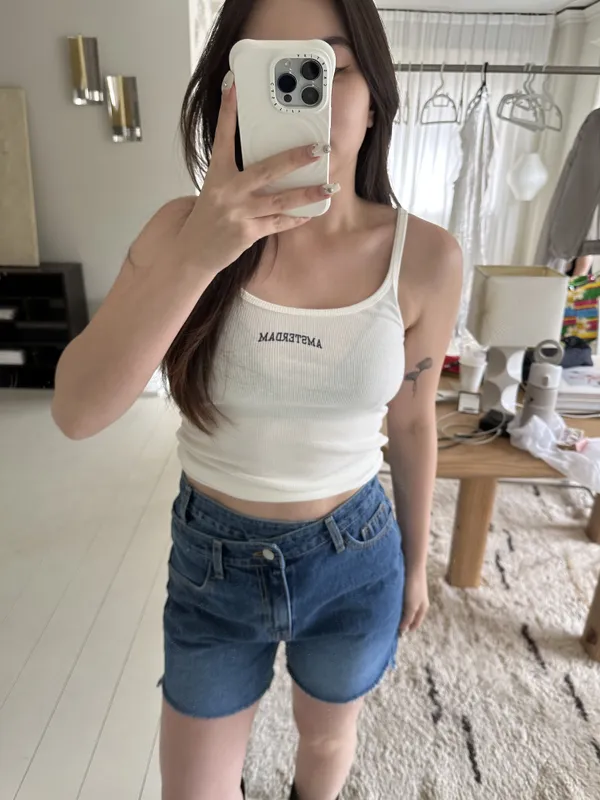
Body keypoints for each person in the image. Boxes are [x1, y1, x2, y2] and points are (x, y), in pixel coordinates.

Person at [51, 0, 462, 798]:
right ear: (226, 91)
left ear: (374, 93)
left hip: (354, 556)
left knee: (326, 742)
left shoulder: (426, 258)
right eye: (267, 68)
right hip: (213, 565)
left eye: (328, 65)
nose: (300, 91)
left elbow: (413, 423)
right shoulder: (178, 233)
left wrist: (417, 563)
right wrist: (201, 252)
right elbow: (76, 411)